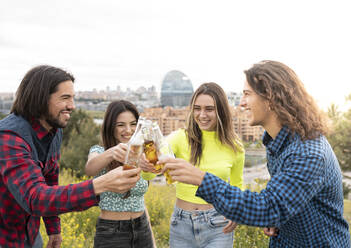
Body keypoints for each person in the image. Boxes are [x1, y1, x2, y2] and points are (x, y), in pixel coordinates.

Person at [161, 61, 351, 247]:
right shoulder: (278, 142)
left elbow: (268, 207)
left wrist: (201, 178)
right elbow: (284, 199)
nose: (241, 103)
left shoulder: (308, 153)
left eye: (247, 94)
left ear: (270, 98)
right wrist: (278, 220)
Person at [0, 65, 141, 248]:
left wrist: (53, 228)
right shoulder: (9, 138)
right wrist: (100, 184)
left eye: (73, 98)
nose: (72, 106)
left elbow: (49, 180)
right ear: (41, 99)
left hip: (30, 233)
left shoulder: (54, 130)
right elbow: (35, 197)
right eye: (65, 98)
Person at [141, 82, 245, 248]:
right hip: (181, 224)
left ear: (221, 111)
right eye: (197, 108)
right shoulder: (179, 137)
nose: (202, 115)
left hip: (219, 223)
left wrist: (237, 212)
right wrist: (146, 165)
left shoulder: (235, 147)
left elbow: (237, 185)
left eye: (209, 109)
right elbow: (149, 174)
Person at [85, 100, 155, 248]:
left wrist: (152, 240)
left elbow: (140, 200)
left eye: (133, 124)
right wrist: (112, 152)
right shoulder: (100, 151)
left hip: (142, 229)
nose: (128, 130)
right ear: (111, 127)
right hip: (112, 232)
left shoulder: (143, 153)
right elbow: (89, 169)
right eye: (121, 125)